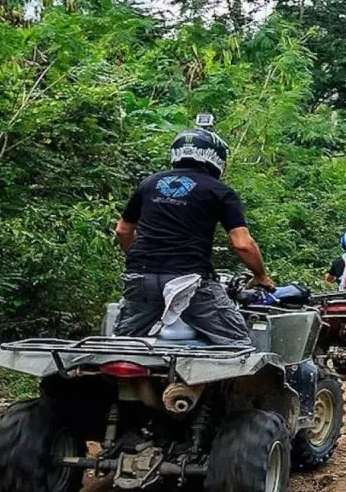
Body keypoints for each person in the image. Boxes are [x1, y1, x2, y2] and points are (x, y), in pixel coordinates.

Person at [113, 124, 274, 345]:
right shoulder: (219, 191)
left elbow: (123, 230)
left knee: (123, 345)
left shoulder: (149, 184)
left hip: (141, 276)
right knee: (237, 345)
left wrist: (139, 260)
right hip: (189, 280)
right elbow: (242, 244)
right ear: (216, 157)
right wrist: (261, 276)